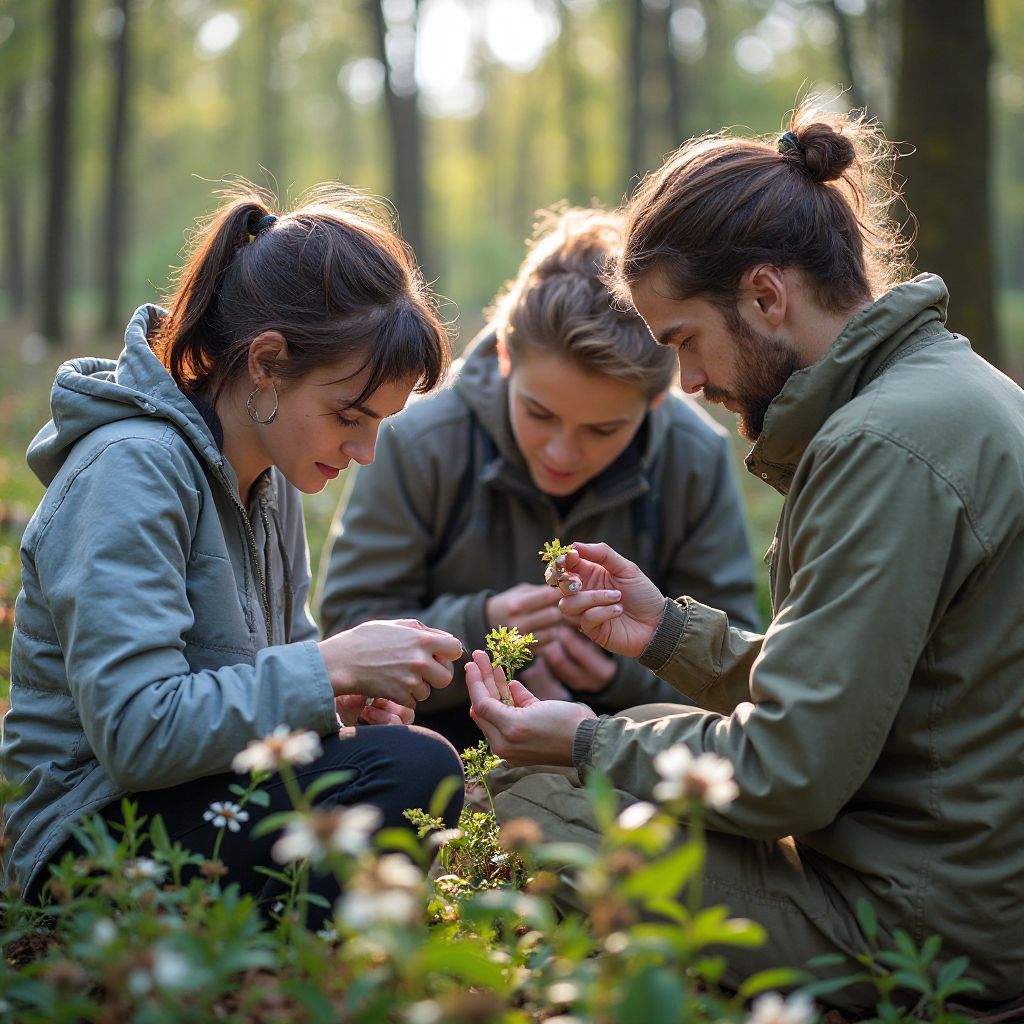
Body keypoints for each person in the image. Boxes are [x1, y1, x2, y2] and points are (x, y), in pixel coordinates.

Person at [464, 102, 1024, 1015]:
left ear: (766, 295)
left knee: (530, 795)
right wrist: (671, 634)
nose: (685, 383)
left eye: (684, 339)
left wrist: (587, 740)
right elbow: (889, 696)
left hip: (928, 936)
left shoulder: (881, 446)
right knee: (601, 746)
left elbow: (790, 773)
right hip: (964, 890)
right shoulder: (954, 393)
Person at [0, 185, 466, 907]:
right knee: (406, 772)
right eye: (348, 414)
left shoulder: (273, 477)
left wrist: (340, 702)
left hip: (206, 795)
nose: (366, 450)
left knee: (411, 766)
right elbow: (134, 730)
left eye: (380, 422)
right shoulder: (130, 468)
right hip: (86, 839)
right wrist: (326, 667)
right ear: (267, 362)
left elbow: (261, 682)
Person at [317, 206, 759, 750]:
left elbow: (737, 657)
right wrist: (482, 626)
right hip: (443, 748)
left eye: (603, 429)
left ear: (655, 401)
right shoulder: (416, 440)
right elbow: (345, 634)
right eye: (540, 413)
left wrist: (620, 669)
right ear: (505, 356)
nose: (562, 452)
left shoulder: (695, 456)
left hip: (629, 744)